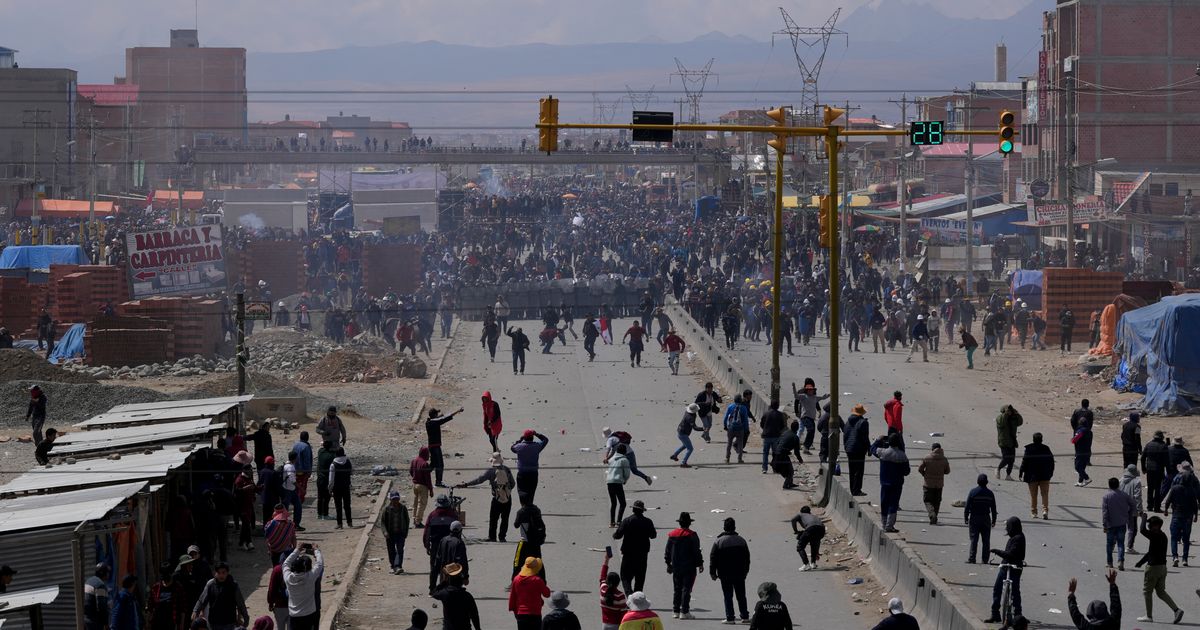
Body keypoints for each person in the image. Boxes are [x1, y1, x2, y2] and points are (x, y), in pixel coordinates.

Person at [1135, 515, 1185, 623]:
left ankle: (1149, 616)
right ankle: (1177, 610)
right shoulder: (1163, 536)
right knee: (1160, 592)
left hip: (1153, 569)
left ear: (1156, 526)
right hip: (1162, 568)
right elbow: (1151, 552)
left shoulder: (1155, 535)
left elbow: (1142, 530)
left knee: (1147, 592)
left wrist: (1143, 517)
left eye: (1150, 524)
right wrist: (1140, 562)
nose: (1148, 525)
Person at [455, 452, 514, 542]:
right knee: (505, 519)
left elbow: (479, 480)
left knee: (493, 519)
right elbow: (513, 483)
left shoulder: (491, 471)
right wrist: (506, 491)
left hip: (496, 499)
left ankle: (492, 537)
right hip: (508, 498)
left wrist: (466, 484)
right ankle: (502, 537)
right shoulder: (507, 469)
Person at [710, 517, 751, 624]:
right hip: (740, 574)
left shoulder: (719, 541)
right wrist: (745, 571)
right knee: (741, 595)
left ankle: (730, 618)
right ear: (734, 527)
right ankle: (745, 617)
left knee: (728, 596)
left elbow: (713, 558)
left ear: (724, 528)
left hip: (725, 574)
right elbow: (747, 558)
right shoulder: (741, 540)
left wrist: (712, 573)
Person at [986, 517, 1026, 623]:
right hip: (1005, 565)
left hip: (1014, 567)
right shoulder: (1013, 537)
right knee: (997, 588)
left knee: (1015, 592)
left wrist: (996, 551)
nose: (1007, 529)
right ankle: (995, 613)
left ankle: (1018, 615)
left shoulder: (1019, 538)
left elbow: (1011, 554)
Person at [612, 499, 656, 594]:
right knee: (640, 579)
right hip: (642, 555)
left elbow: (618, 535)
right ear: (642, 510)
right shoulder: (648, 522)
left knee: (625, 577)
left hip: (628, 554)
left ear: (633, 510)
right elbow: (653, 535)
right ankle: (637, 599)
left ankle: (629, 595)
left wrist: (614, 535)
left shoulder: (627, 521)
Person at [665, 511, 703, 620]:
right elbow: (697, 551)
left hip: (676, 566)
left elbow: (667, 551)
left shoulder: (672, 535)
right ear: (689, 523)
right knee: (687, 589)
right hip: (689, 566)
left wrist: (668, 564)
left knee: (677, 588)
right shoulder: (692, 535)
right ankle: (684, 611)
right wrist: (700, 564)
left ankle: (676, 610)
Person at [191, 562, 249, 630]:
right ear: (215, 573)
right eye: (218, 573)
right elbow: (201, 600)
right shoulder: (210, 584)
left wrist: (246, 618)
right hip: (213, 623)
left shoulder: (233, 585)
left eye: (223, 572)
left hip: (229, 623)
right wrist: (195, 610)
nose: (221, 575)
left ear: (228, 572)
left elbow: (240, 603)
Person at [1162, 463, 1198, 567]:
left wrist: (1165, 510)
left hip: (1176, 515)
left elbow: (1168, 501)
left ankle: (1175, 557)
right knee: (1186, 539)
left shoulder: (1175, 488)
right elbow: (1194, 505)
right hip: (1188, 517)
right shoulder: (1191, 491)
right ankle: (1185, 559)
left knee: (1174, 537)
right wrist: (1195, 515)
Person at [424, 495, 460, 593]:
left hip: (436, 545)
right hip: (449, 545)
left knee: (434, 568)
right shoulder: (453, 515)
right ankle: (446, 588)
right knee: (449, 566)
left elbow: (427, 531)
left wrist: (427, 545)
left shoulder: (432, 515)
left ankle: (432, 589)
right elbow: (458, 531)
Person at [875, 433, 910, 533]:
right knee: (893, 504)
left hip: (885, 483)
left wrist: (878, 440)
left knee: (884, 503)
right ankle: (889, 525)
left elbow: (872, 448)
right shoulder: (902, 455)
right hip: (897, 484)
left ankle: (884, 523)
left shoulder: (882, 452)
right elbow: (906, 472)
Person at [282, 546, 323, 630]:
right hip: (309, 614)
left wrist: (297, 550)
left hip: (294, 616)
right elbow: (319, 563)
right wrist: (316, 550)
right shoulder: (310, 577)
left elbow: (286, 563)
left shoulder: (288, 578)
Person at [1101, 477, 1137, 570]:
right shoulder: (1124, 495)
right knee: (1120, 543)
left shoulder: (1106, 497)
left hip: (1110, 524)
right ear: (1118, 485)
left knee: (1109, 544)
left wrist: (1105, 524)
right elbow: (1133, 504)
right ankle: (1121, 561)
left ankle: (1110, 563)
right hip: (1122, 523)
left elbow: (1105, 512)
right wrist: (1130, 513)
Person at [425, 406, 465, 487]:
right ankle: (438, 482)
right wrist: (457, 411)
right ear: (435, 415)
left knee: (433, 464)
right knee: (440, 464)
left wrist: (439, 416)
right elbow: (446, 418)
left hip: (432, 446)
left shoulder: (429, 422)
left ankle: (422, 476)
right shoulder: (434, 422)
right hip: (435, 447)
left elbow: (438, 418)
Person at [1018, 433, 1055, 520]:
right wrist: (1050, 473)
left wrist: (1021, 472)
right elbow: (1051, 462)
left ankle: (1034, 512)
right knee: (1045, 494)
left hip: (1032, 476)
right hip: (1045, 475)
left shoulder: (1029, 449)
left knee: (1033, 495)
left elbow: (1024, 461)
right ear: (1042, 439)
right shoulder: (1046, 449)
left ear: (1033, 439)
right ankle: (1045, 511)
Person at [432, 566, 481, 630]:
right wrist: (478, 628)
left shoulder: (444, 594)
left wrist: (444, 581)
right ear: (461, 581)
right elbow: (474, 615)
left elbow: (434, 593)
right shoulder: (467, 596)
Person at [509, 557, 550, 630]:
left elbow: (513, 597)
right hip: (535, 613)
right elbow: (547, 594)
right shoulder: (537, 580)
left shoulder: (516, 579)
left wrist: (515, 611)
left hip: (520, 613)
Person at [965, 474, 998, 564]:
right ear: (987, 482)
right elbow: (994, 509)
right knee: (986, 540)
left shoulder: (973, 492)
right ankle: (985, 559)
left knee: (974, 539)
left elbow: (967, 506)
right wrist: (994, 520)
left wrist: (966, 518)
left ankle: (972, 558)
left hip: (974, 518)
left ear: (977, 482)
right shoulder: (990, 493)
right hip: (986, 518)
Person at [512, 498, 548, 580]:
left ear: (521, 502)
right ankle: (543, 581)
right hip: (535, 542)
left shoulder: (521, 511)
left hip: (525, 542)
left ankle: (514, 581)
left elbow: (516, 525)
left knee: (517, 562)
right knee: (538, 562)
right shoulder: (537, 510)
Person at [511, 429, 549, 504]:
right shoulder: (537, 446)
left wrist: (520, 439)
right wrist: (536, 434)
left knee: (521, 490)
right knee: (531, 491)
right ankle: (529, 506)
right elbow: (545, 440)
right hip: (533, 473)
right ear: (532, 437)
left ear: (524, 438)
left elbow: (512, 448)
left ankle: (523, 506)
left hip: (522, 473)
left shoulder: (519, 446)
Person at [792, 378, 828, 453]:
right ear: (807, 390)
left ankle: (807, 447)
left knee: (812, 431)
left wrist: (827, 396)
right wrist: (794, 387)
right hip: (805, 417)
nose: (811, 391)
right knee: (808, 429)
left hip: (811, 418)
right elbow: (796, 396)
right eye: (809, 390)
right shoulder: (803, 396)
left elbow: (822, 398)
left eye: (812, 390)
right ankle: (804, 445)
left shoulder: (814, 397)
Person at [148, 563, 187, 630]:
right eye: (164, 574)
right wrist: (148, 621)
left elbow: (183, 608)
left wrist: (181, 624)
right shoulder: (156, 587)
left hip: (171, 623)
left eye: (167, 573)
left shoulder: (178, 588)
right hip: (157, 623)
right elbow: (151, 605)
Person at [918, 443, 950, 525]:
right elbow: (947, 471)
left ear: (932, 449)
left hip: (928, 484)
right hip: (939, 484)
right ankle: (934, 516)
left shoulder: (927, 458)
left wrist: (924, 474)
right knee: (937, 501)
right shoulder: (944, 459)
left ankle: (932, 515)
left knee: (927, 500)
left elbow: (920, 469)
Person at [844, 404, 871, 496]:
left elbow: (845, 435)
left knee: (852, 470)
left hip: (849, 448)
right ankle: (857, 490)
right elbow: (865, 438)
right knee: (859, 471)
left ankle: (853, 489)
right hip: (858, 449)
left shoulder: (848, 422)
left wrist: (846, 447)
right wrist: (869, 448)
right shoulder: (863, 422)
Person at [380, 490, 410, 574]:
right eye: (394, 499)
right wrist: (385, 532)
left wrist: (406, 532)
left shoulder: (403, 508)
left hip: (400, 533)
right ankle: (393, 566)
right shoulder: (387, 509)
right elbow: (382, 522)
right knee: (391, 550)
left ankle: (398, 566)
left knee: (400, 549)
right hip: (390, 534)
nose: (395, 501)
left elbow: (407, 520)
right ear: (390, 500)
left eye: (397, 499)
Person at [599, 549, 628, 630]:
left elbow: (602, 577)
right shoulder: (620, 596)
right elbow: (623, 613)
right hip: (617, 625)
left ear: (607, 581)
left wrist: (606, 559)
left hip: (605, 625)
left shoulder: (603, 590)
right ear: (618, 583)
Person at [434, 522, 469, 587]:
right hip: (455, 574)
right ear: (460, 531)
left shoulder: (443, 540)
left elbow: (438, 557)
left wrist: (437, 571)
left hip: (444, 574)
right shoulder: (459, 543)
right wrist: (465, 577)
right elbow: (463, 561)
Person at [1143, 431, 1171, 512]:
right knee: (1158, 489)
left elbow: (1143, 457)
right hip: (1159, 470)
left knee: (1150, 488)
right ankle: (1156, 508)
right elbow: (1167, 460)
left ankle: (1149, 506)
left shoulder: (1149, 444)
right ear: (1161, 438)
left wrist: (1143, 468)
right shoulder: (1163, 446)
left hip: (1150, 470)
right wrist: (1168, 471)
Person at [232, 466, 258, 552]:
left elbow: (255, 488)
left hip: (249, 505)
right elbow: (236, 492)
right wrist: (245, 489)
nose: (251, 471)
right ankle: (249, 542)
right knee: (246, 524)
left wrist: (261, 487)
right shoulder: (239, 480)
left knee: (246, 525)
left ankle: (242, 542)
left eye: (251, 470)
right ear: (245, 470)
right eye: (249, 470)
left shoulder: (249, 479)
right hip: (241, 506)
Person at [771, 420, 803, 489]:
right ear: (797, 428)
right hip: (782, 455)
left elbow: (778, 442)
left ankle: (790, 483)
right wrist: (800, 459)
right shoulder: (795, 437)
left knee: (787, 469)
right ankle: (786, 485)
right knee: (790, 471)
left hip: (776, 453)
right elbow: (796, 452)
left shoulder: (785, 432)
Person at [759, 400, 788, 473]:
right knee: (775, 453)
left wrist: (765, 430)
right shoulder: (780, 414)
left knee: (765, 453)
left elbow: (762, 424)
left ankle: (764, 468)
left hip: (767, 436)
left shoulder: (766, 413)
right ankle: (775, 468)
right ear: (778, 406)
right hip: (776, 436)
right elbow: (782, 426)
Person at [606, 443, 632, 526]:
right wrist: (624, 480)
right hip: (617, 482)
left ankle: (612, 522)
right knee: (623, 503)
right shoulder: (624, 460)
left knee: (613, 503)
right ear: (624, 452)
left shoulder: (611, 459)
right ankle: (619, 521)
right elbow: (627, 473)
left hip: (609, 482)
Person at [1071, 399, 1095, 486]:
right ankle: (1080, 481)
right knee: (1083, 462)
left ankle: (1086, 478)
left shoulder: (1077, 411)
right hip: (1086, 446)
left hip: (1080, 442)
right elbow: (1091, 423)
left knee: (1077, 465)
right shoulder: (1089, 414)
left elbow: (1072, 421)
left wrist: (1076, 430)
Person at [327, 447, 353, 528]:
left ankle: (339, 524)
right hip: (346, 486)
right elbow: (351, 472)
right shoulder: (348, 461)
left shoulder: (333, 465)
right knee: (347, 505)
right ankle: (349, 522)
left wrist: (330, 489)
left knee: (338, 506)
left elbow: (331, 479)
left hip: (337, 488)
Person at [996, 404, 1023, 480]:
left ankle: (1008, 475)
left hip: (1012, 442)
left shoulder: (1013, 418)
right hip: (1004, 442)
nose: (1010, 412)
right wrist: (1005, 414)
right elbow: (1001, 422)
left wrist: (1017, 414)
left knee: (1011, 460)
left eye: (1010, 411)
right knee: (1006, 458)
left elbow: (1020, 422)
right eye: (1008, 411)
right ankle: (998, 469)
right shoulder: (1000, 417)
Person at [409, 446, 433, 526]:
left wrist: (415, 478)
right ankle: (418, 521)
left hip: (415, 485)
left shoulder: (414, 461)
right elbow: (428, 479)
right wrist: (431, 489)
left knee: (415, 503)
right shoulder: (424, 464)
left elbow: (411, 471)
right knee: (421, 504)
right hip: (423, 486)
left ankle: (414, 519)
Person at [723, 395, 750, 464]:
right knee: (740, 444)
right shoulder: (744, 408)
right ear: (741, 400)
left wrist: (725, 426)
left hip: (731, 428)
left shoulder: (730, 406)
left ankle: (727, 458)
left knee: (729, 443)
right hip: (740, 428)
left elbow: (726, 417)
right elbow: (746, 420)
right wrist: (746, 429)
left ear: (734, 400)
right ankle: (739, 459)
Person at [84, 563, 112, 630]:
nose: (108, 575)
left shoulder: (89, 581)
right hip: (95, 623)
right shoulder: (100, 585)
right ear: (103, 573)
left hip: (86, 620)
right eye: (107, 572)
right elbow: (101, 607)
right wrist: (106, 624)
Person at [290, 432, 313, 503]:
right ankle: (300, 500)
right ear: (307, 438)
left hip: (295, 469)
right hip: (303, 471)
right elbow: (307, 460)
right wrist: (308, 471)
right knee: (303, 486)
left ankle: (295, 499)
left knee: (296, 485)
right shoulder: (306, 447)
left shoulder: (295, 445)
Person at [315, 441, 335, 521]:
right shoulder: (331, 456)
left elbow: (322, 447)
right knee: (326, 497)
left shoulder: (320, 452)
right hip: (326, 478)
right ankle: (325, 514)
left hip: (319, 478)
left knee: (320, 497)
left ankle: (319, 514)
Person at [266, 562, 289, 630]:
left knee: (280, 627)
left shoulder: (277, 569)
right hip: (293, 606)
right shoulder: (296, 567)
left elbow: (272, 588)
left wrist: (270, 603)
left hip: (280, 605)